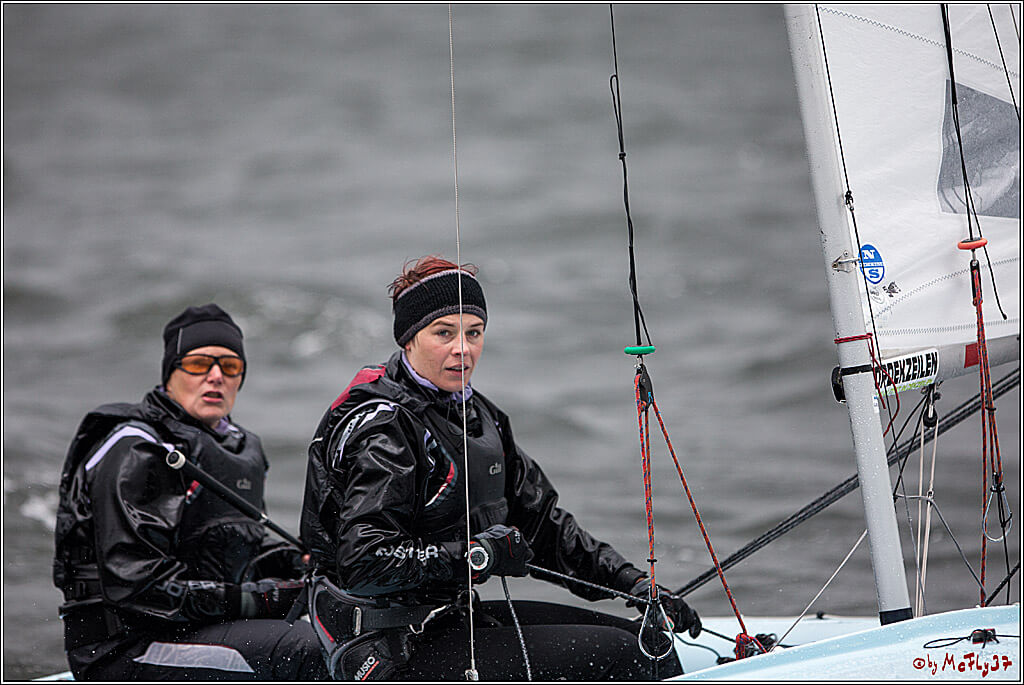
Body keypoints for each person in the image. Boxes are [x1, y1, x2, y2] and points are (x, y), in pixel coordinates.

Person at [300, 256, 701, 680]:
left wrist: (632, 583)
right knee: (631, 657)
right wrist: (478, 555)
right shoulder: (385, 429)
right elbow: (365, 562)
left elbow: (543, 527)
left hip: (445, 620)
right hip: (379, 648)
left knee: (648, 642)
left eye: (474, 332)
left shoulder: (479, 417)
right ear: (409, 339)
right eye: (444, 333)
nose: (463, 348)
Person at [53, 304, 327, 680]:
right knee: (309, 650)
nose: (216, 376)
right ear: (171, 372)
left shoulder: (241, 450)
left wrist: (307, 567)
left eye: (230, 366)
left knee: (348, 635)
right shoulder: (135, 450)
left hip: (198, 628)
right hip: (125, 647)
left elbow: (236, 549)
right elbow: (138, 588)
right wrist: (262, 599)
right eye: (199, 364)